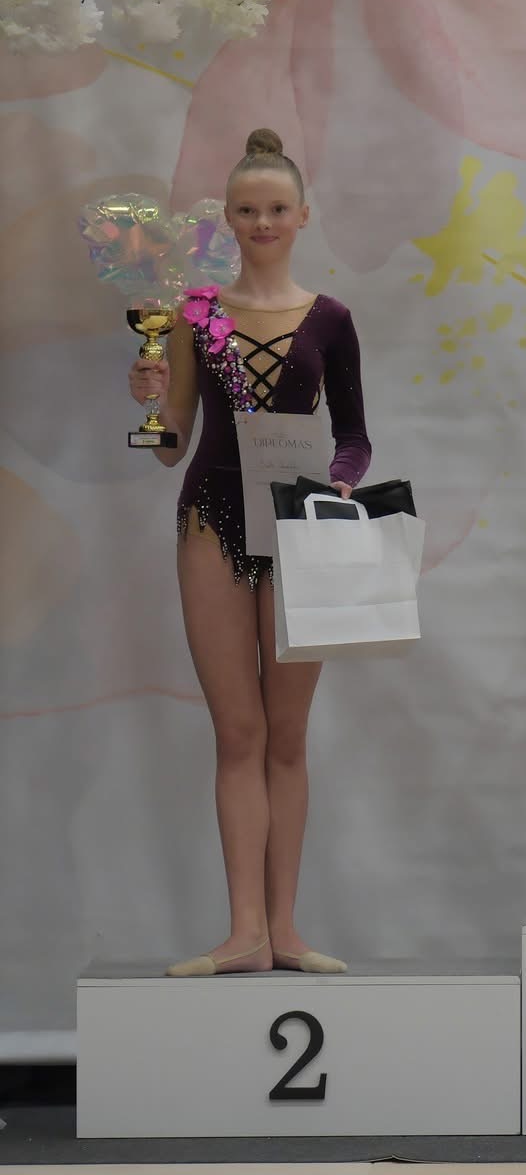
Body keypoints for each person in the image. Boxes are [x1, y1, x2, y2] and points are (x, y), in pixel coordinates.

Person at [125, 128, 371, 976]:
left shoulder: (331, 320)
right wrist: (152, 399)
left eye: (275, 209)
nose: (262, 223)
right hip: (212, 518)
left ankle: (286, 929)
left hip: (299, 522)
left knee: (287, 736)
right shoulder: (196, 315)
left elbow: (356, 436)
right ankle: (245, 933)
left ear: (303, 215)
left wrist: (340, 483)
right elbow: (171, 446)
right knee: (238, 730)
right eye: (246, 210)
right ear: (226, 219)